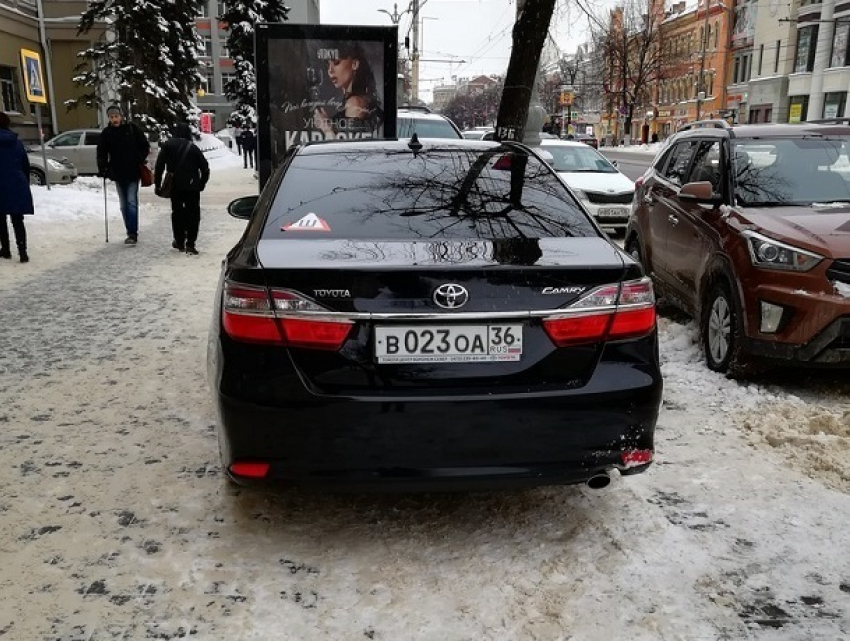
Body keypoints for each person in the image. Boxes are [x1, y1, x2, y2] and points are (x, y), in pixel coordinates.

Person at [96, 105, 150, 245]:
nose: (114, 119)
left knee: (131, 202)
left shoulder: (132, 129)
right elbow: (101, 152)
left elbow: (144, 145)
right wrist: (103, 167)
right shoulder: (107, 133)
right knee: (123, 205)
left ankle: (133, 233)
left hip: (132, 172)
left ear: (121, 116)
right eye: (111, 117)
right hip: (118, 173)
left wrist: (138, 158)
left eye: (116, 116)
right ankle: (129, 230)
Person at [154, 123, 210, 255]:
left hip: (175, 185)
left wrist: (157, 184)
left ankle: (179, 242)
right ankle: (191, 243)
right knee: (193, 214)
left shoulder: (167, 146)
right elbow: (205, 168)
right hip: (192, 186)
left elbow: (159, 166)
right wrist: (201, 184)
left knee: (177, 212)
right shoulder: (193, 148)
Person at [314, 42, 383, 139]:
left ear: (354, 64)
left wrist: (326, 127)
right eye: (327, 64)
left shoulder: (355, 104)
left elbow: (347, 151)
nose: (330, 70)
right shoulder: (359, 100)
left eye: (336, 62)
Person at [0, 111, 33, 263]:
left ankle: (5, 249)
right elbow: (25, 164)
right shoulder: (16, 142)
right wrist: (24, 182)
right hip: (16, 182)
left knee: (0, 219)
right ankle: (23, 252)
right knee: (17, 219)